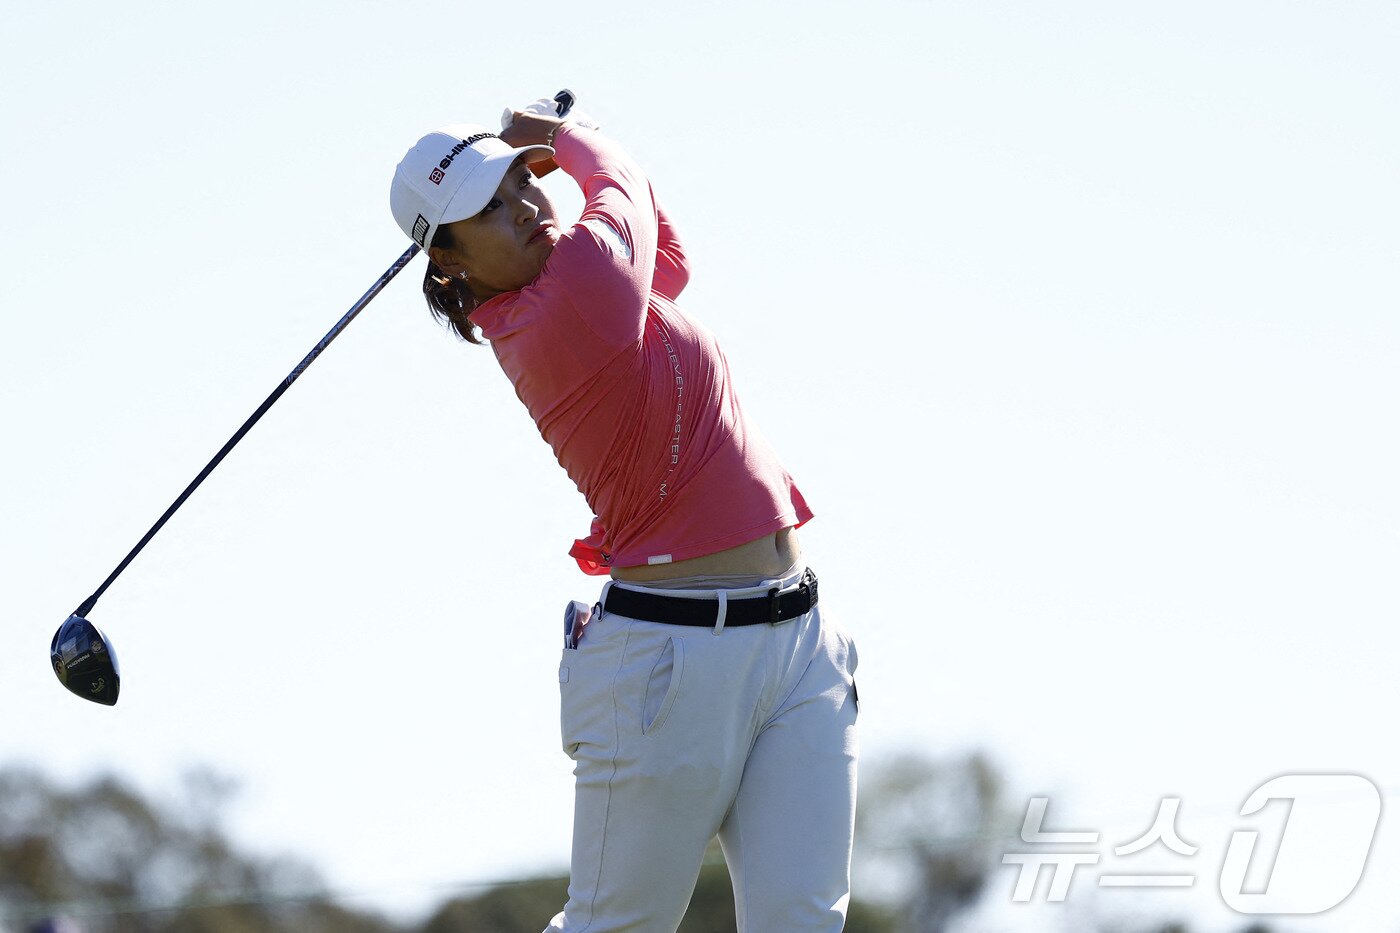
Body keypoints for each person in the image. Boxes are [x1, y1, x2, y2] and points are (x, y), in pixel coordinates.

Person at [389, 94, 860, 932]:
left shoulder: (596, 284)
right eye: (488, 211)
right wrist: (561, 136)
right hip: (667, 661)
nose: (526, 206)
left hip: (796, 641)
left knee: (804, 920)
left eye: (518, 185)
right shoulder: (559, 308)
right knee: (618, 925)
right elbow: (624, 188)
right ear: (449, 264)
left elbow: (665, 252)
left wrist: (554, 151)